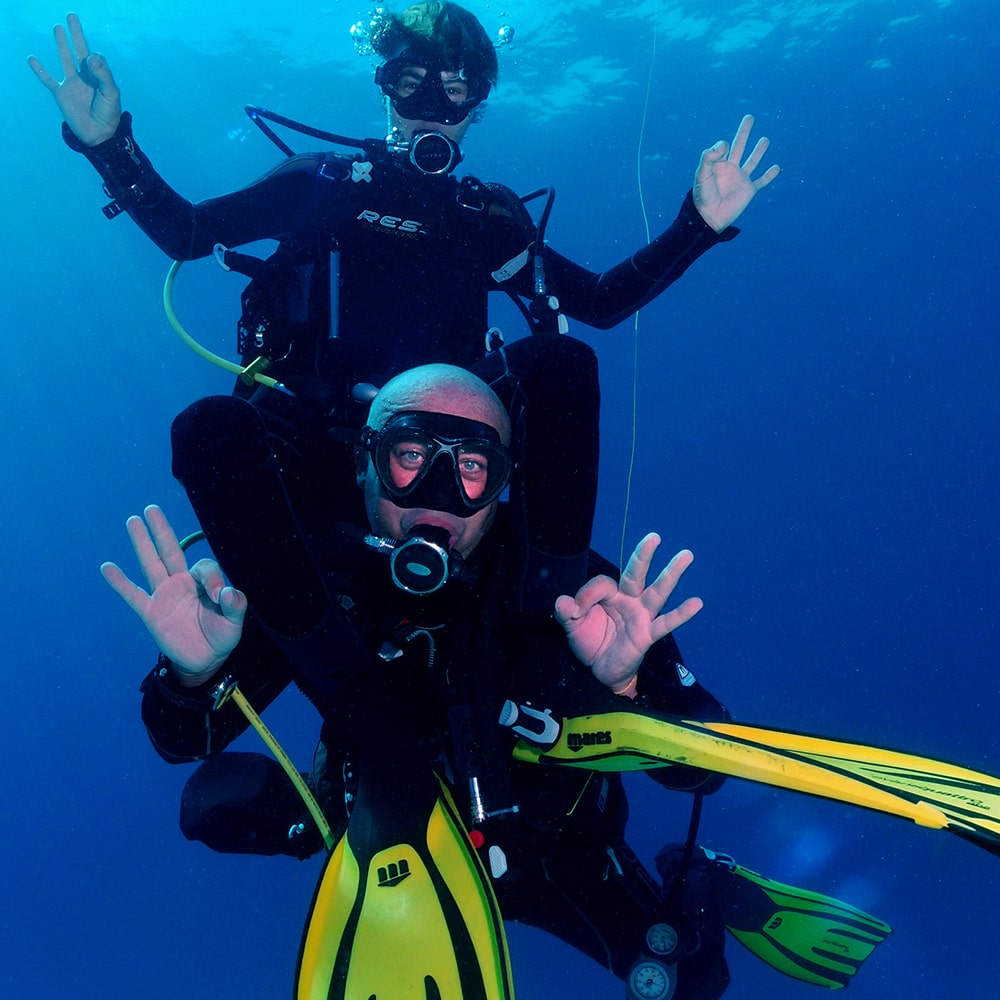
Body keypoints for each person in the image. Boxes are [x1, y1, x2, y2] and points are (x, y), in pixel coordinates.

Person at [30, 5, 780, 609]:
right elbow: (190, 233)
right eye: (412, 85)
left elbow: (601, 304)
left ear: (477, 105)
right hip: (318, 452)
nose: (432, 109)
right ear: (384, 89)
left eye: (455, 92)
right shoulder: (322, 183)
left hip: (457, 471)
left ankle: (547, 607)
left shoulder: (486, 219)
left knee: (559, 360)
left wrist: (697, 226)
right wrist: (107, 144)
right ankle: (292, 635)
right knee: (221, 430)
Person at [104, 363, 734, 998]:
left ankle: (703, 878)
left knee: (696, 983)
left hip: (557, 855)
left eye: (471, 467)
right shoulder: (308, 583)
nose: (439, 494)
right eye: (411, 454)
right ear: (364, 463)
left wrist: (624, 689)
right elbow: (182, 741)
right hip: (390, 854)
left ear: (501, 483)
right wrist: (192, 673)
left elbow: (708, 769)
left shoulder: (572, 591)